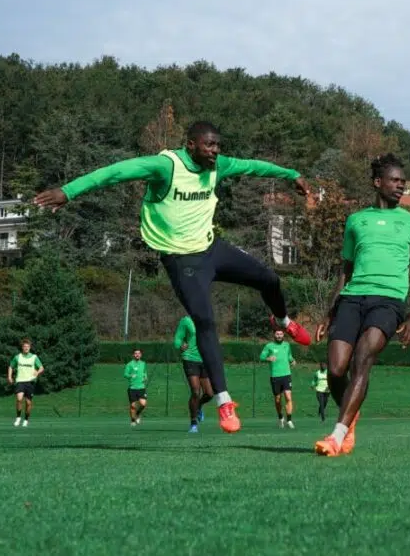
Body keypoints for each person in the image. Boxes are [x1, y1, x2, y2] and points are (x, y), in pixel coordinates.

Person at [33, 121, 313, 434]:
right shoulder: (165, 166)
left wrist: (292, 175)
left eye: (218, 145)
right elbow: (115, 172)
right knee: (205, 322)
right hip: (182, 261)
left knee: (269, 280)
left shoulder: (218, 166)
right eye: (209, 145)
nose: (215, 151)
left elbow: (255, 167)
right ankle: (223, 401)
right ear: (191, 144)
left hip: (211, 248)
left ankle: (283, 321)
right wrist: (68, 192)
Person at [313, 154, 410, 457]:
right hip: (352, 298)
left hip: (389, 301)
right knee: (336, 370)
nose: (400, 186)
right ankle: (349, 418)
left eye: (403, 182)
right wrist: (330, 312)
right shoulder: (356, 221)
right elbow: (345, 269)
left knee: (362, 360)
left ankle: (338, 435)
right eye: (394, 180)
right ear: (377, 182)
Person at [174, 315, 214, 433]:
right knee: (196, 392)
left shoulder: (206, 318)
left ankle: (199, 406)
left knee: (209, 394)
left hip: (204, 359)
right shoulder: (186, 320)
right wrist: (180, 345)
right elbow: (177, 339)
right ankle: (193, 423)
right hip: (190, 358)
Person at [260, 329, 296, 429]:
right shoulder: (269, 346)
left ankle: (289, 420)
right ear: (274, 335)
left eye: (281, 334)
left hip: (286, 374)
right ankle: (281, 418)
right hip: (275, 376)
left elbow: (289, 356)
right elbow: (261, 357)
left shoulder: (287, 345)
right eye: (277, 334)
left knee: (288, 397)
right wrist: (268, 358)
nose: (279, 336)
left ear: (283, 335)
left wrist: (292, 360)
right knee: (277, 399)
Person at [8, 339, 44, 427]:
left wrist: (37, 372)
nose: (26, 348)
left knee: (28, 403)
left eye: (28, 346)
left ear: (30, 347)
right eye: (24, 346)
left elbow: (41, 368)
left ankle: (26, 419)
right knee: (19, 399)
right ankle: (18, 418)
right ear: (22, 347)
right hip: (20, 381)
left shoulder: (34, 357)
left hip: (30, 382)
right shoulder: (17, 357)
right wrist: (9, 376)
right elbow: (11, 366)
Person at [124, 349, 148, 427]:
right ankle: (133, 420)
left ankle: (137, 414)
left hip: (141, 387)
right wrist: (131, 376)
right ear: (133, 355)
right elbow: (125, 374)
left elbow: (144, 372)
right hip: (132, 388)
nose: (137, 355)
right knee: (133, 406)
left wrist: (145, 376)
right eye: (135, 353)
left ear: (141, 355)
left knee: (143, 404)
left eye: (139, 353)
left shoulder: (143, 363)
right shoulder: (129, 364)